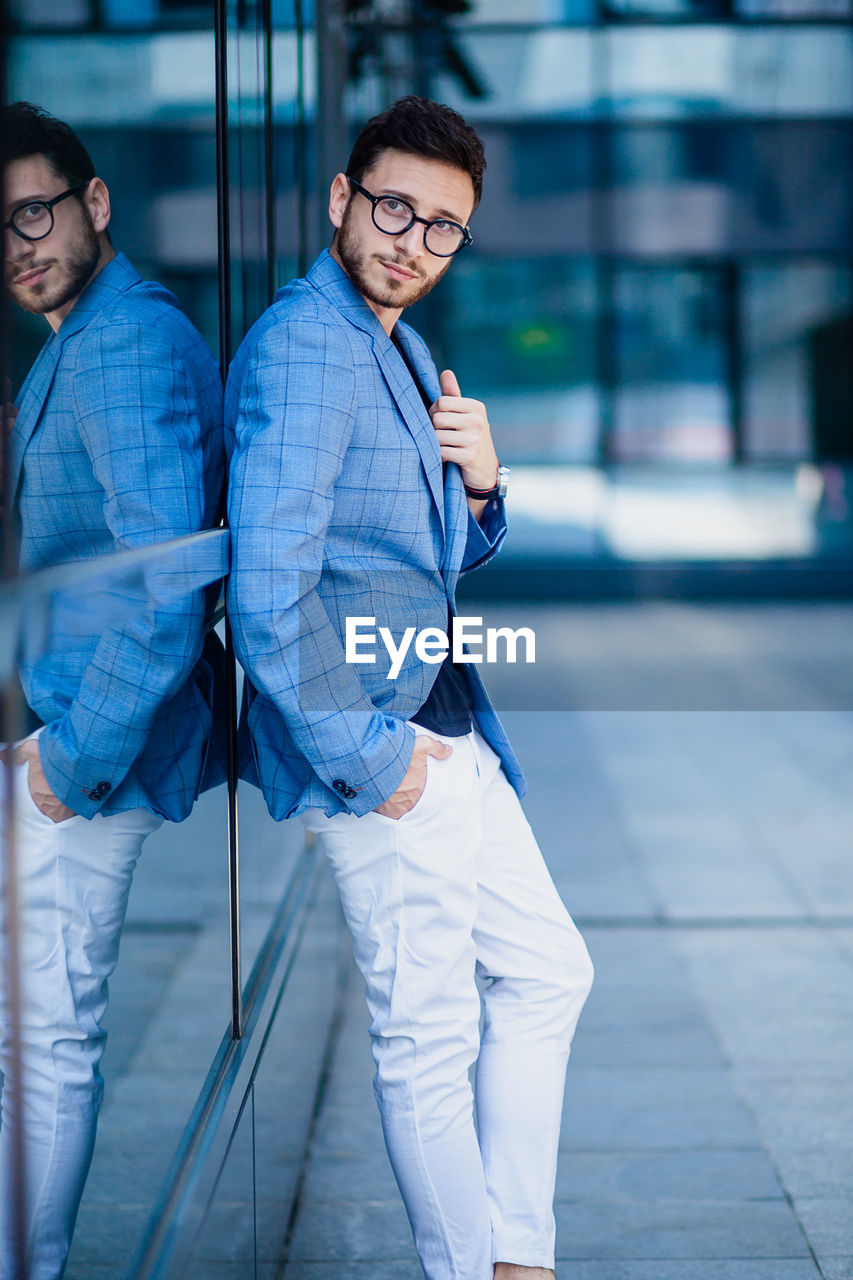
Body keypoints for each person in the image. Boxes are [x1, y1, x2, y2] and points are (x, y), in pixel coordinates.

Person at [226, 95, 593, 1280]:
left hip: (444, 729)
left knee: (547, 970)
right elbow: (264, 587)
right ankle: (477, 1267)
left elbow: (425, 559)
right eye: (394, 208)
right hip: (379, 747)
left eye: (443, 228)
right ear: (341, 200)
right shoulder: (305, 343)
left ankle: (512, 1256)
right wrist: (373, 760)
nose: (413, 243)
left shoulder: (394, 345)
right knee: (427, 1036)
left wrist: (484, 490)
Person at [0, 102, 223, 1280]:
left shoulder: (124, 343)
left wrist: (68, 762)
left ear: (94, 204)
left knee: (42, 1046)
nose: (18, 241)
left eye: (35, 209)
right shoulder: (82, 337)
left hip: (88, 757)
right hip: (63, 731)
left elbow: (164, 583)